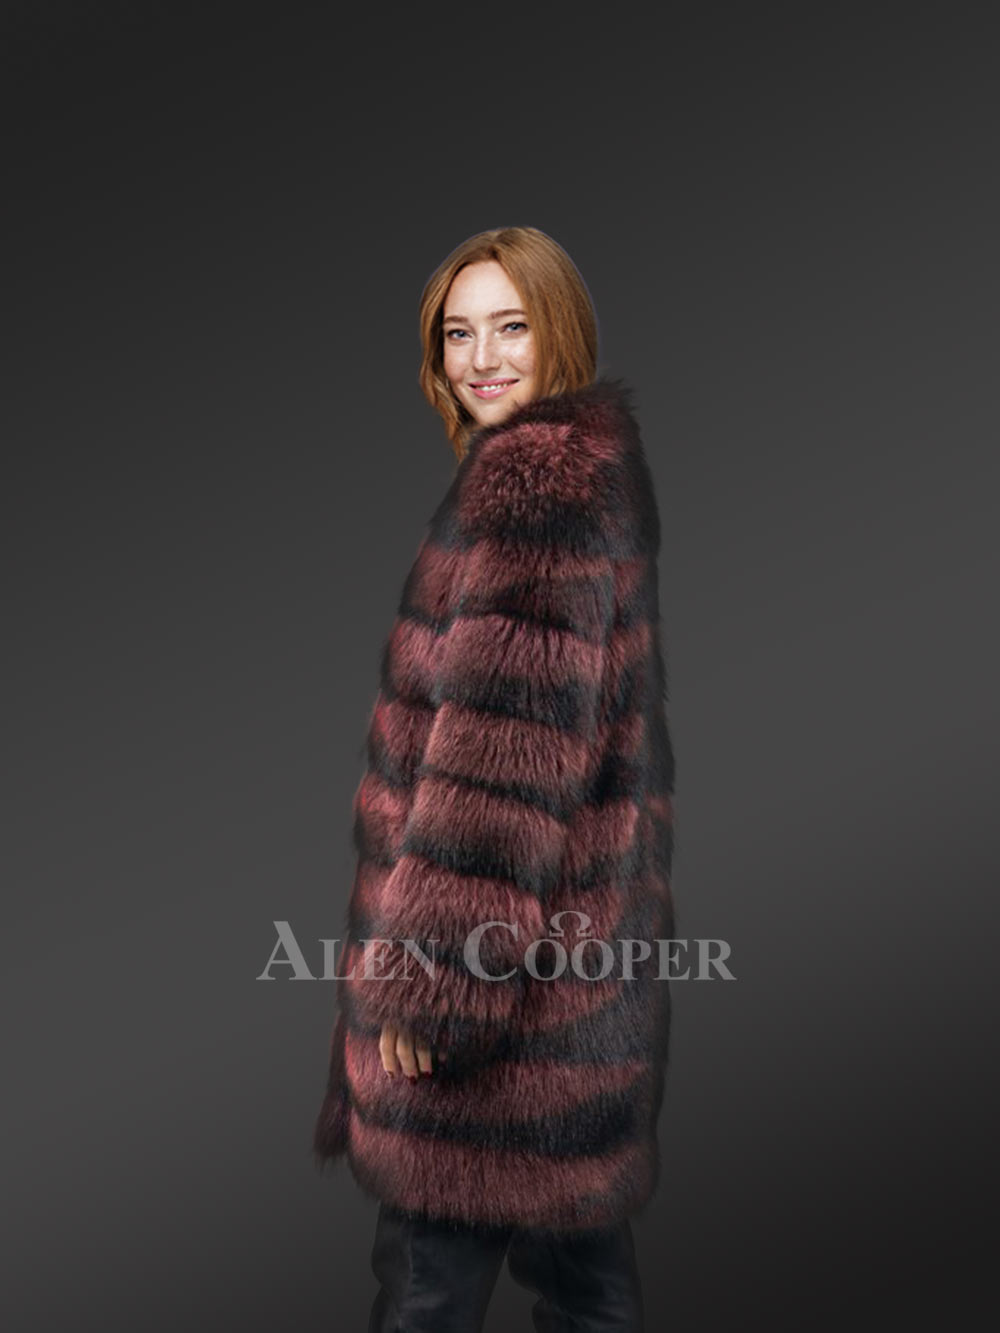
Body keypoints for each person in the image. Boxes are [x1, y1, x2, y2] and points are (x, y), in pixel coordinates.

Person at [312, 225, 677, 1332]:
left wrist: (433, 983)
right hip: (572, 994)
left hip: (493, 1003)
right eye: (458, 333)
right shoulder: (584, 479)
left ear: (560, 332)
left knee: (432, 1290)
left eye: (511, 326)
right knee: (587, 1287)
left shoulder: (534, 493)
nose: (481, 358)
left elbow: (497, 764)